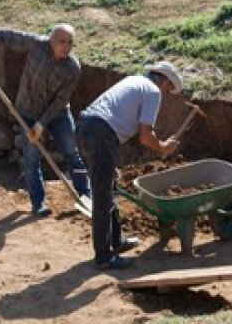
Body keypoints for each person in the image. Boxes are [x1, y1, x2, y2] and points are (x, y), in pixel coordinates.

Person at [0, 24, 89, 217]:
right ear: (51, 41)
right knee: (32, 159)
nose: (66, 47)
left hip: (57, 114)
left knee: (72, 153)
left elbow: (61, 100)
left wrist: (42, 124)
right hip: (28, 111)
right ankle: (38, 203)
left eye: (70, 43)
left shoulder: (73, 67)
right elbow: (3, 35)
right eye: (62, 42)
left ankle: (86, 196)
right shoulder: (35, 45)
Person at [75, 63, 183, 270]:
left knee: (108, 188)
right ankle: (104, 257)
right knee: (102, 195)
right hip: (101, 134)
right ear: (165, 81)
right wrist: (163, 147)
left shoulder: (133, 81)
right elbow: (145, 135)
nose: (166, 94)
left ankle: (117, 241)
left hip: (86, 129)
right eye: (169, 89)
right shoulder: (153, 91)